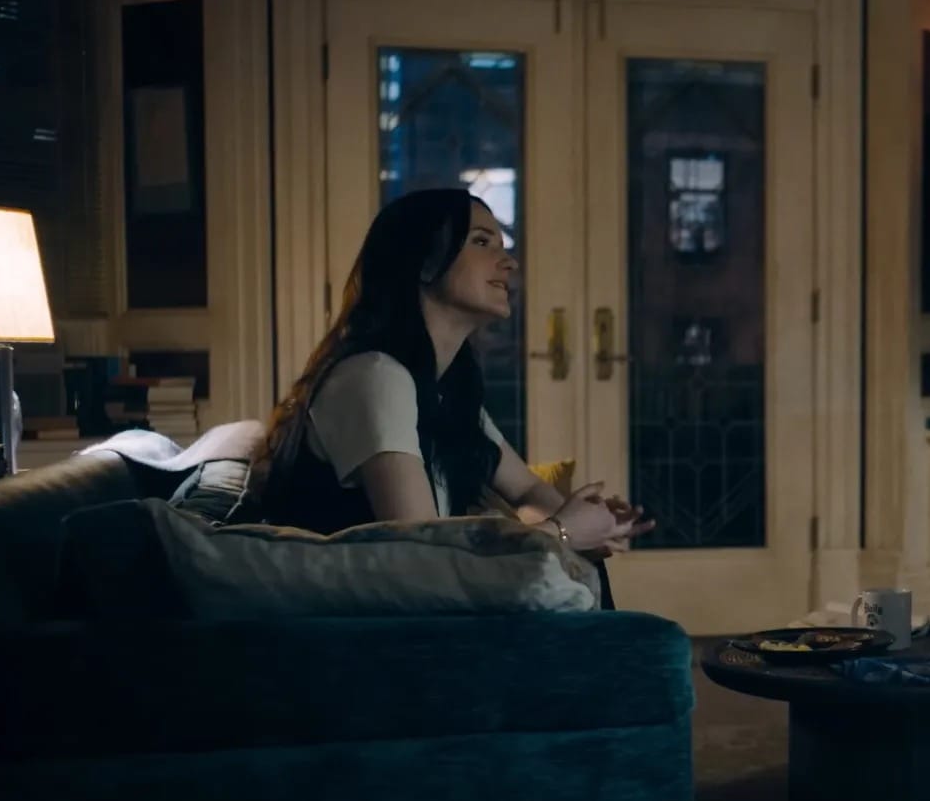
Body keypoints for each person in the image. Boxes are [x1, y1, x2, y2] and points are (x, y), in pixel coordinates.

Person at [245, 188, 654, 603]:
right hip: (356, 620)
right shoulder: (374, 376)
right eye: (482, 242)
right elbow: (422, 553)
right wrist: (562, 532)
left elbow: (527, 491)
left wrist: (592, 524)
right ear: (424, 262)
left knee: (584, 566)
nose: (509, 262)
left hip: (418, 608)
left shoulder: (446, 388)